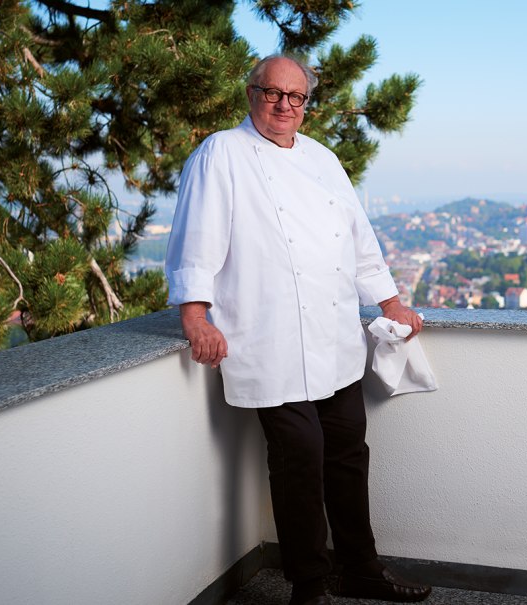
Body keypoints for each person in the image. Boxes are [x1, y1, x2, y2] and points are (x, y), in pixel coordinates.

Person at [165, 54, 431, 605]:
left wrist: (391, 302)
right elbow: (197, 239)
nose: (284, 105)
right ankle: (309, 586)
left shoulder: (323, 159)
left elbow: (359, 243)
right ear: (251, 93)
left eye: (296, 97)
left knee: (348, 454)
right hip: (269, 338)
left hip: (333, 338)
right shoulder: (222, 153)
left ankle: (360, 568)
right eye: (273, 93)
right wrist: (195, 316)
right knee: (298, 460)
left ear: (306, 103)